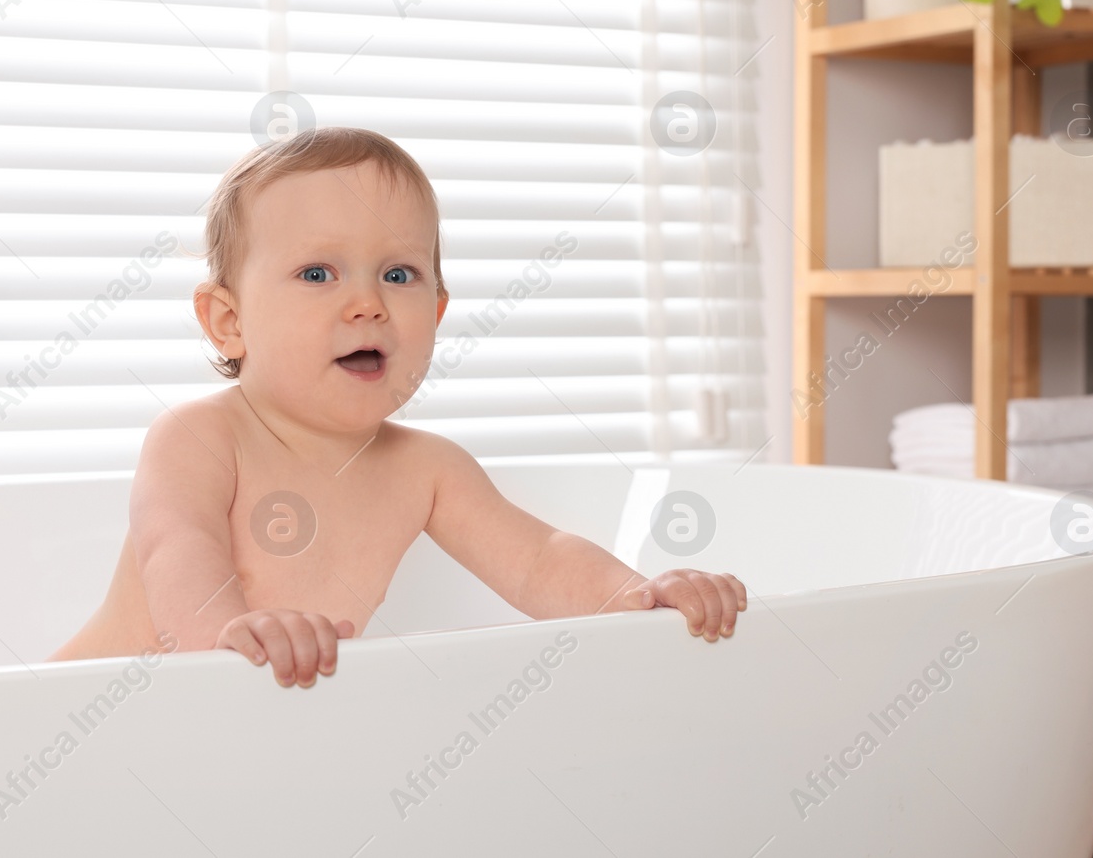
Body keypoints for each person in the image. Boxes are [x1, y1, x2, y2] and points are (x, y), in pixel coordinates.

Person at [51, 127, 746, 686]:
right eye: (318, 273)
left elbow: (539, 558)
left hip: (242, 729)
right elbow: (178, 546)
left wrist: (637, 594)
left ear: (437, 311)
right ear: (227, 321)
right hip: (78, 714)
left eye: (399, 273)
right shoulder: (200, 436)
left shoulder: (427, 468)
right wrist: (227, 631)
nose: (367, 302)